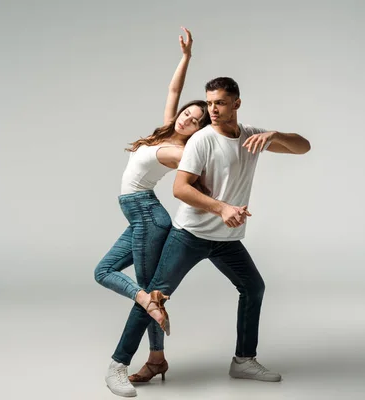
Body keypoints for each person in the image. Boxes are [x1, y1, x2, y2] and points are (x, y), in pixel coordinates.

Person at [106, 76, 311, 397]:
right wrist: (222, 208)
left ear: (236, 104)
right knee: (155, 296)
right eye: (210, 102)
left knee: (253, 288)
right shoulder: (200, 141)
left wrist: (276, 135)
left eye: (220, 103)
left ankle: (244, 360)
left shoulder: (252, 136)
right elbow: (180, 188)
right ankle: (118, 365)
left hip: (226, 240)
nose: (213, 109)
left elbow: (303, 147)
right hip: (189, 236)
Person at [94, 27, 211, 397]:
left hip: (147, 216)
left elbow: (200, 181)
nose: (186, 119)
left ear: (199, 132)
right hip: (142, 216)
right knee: (105, 271)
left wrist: (217, 202)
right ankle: (157, 357)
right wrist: (187, 57)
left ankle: (124, 362)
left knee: (148, 292)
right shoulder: (166, 133)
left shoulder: (183, 151)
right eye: (186, 114)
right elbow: (173, 92)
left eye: (195, 121)